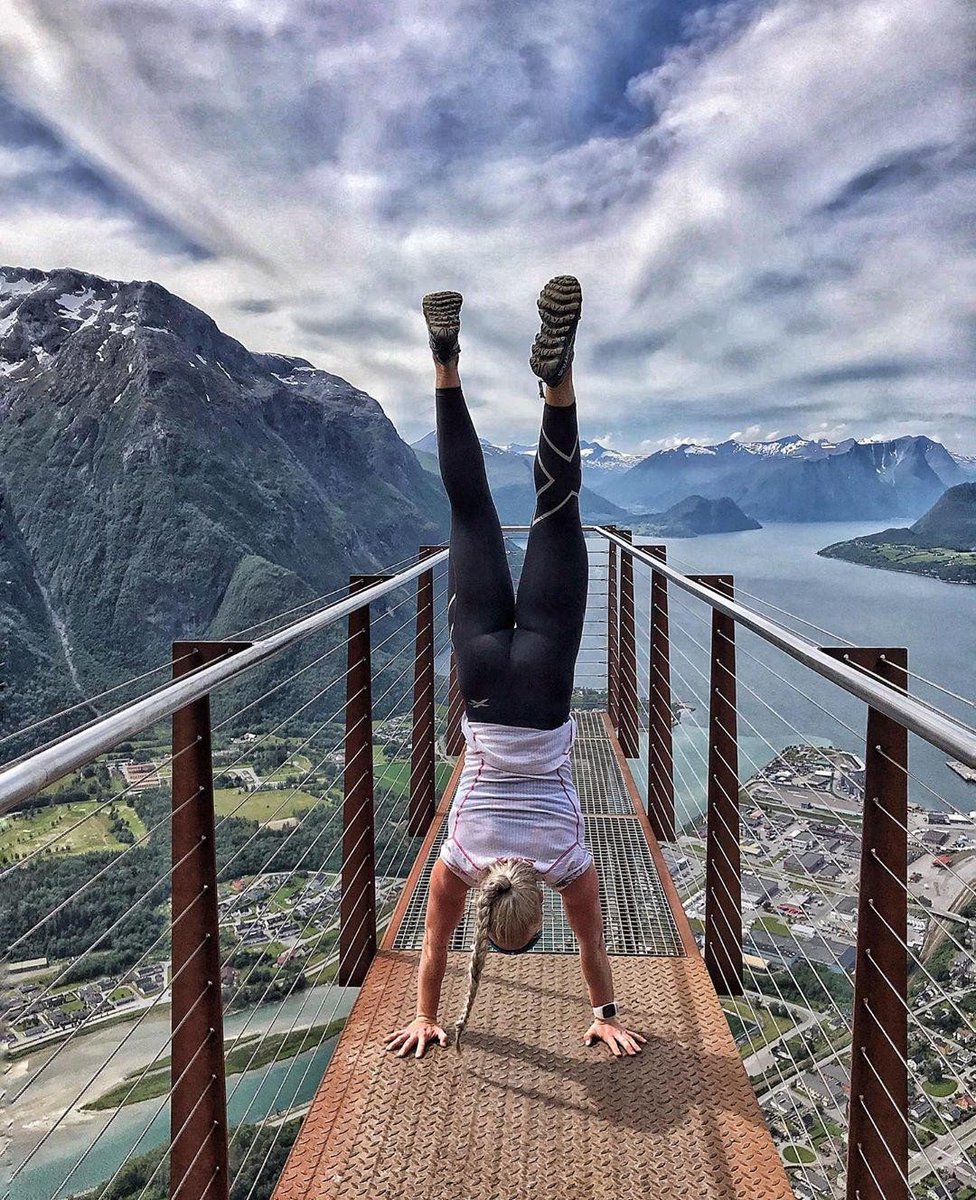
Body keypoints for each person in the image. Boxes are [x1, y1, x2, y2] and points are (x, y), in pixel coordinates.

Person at [384, 276, 646, 1061]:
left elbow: (599, 955)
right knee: (467, 512)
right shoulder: (459, 857)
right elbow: (430, 954)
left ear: (538, 908)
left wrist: (605, 1011)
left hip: (544, 678)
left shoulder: (569, 860)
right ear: (490, 907)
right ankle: (445, 361)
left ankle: (557, 382)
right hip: (485, 676)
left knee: (557, 507)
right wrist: (427, 1016)